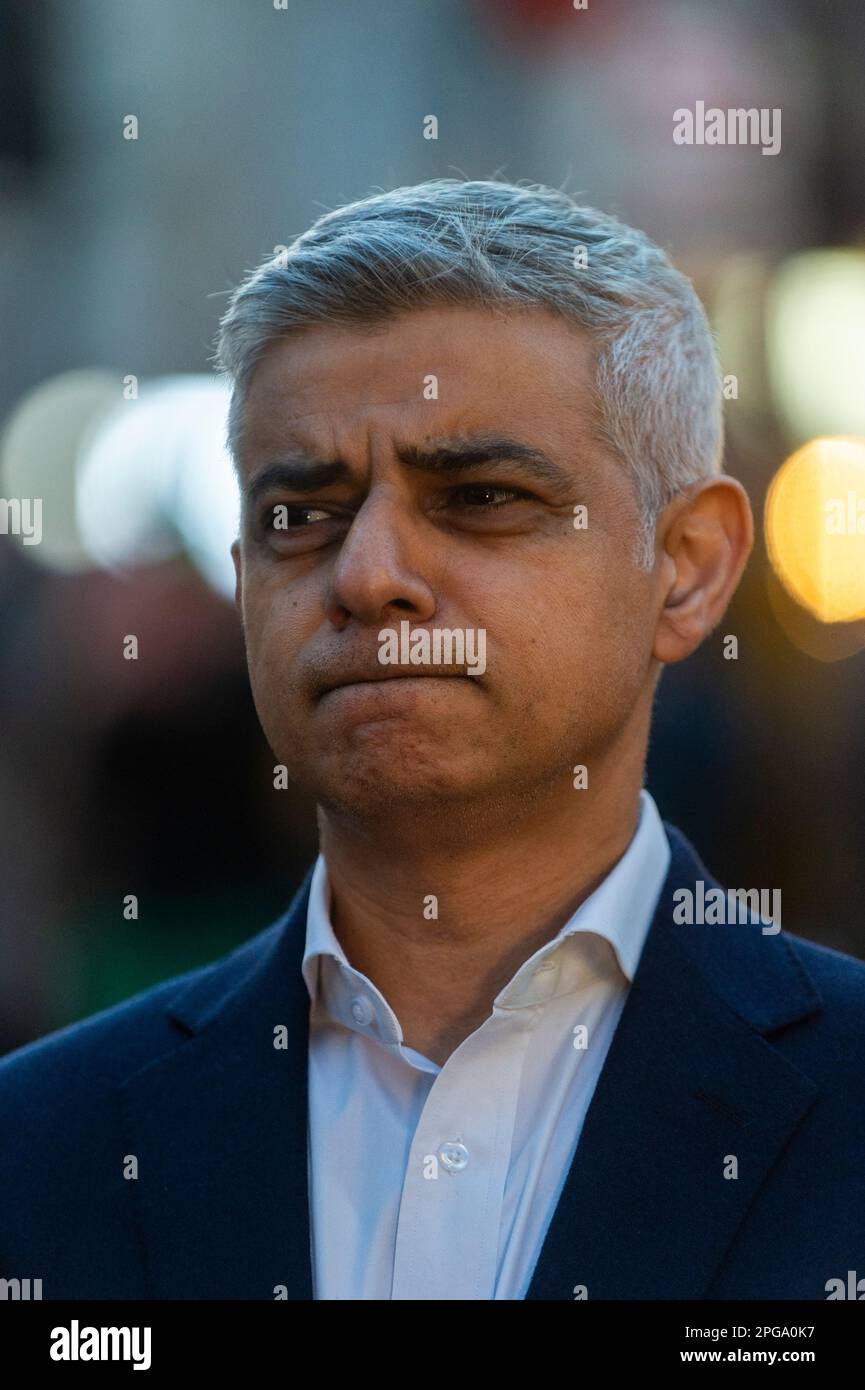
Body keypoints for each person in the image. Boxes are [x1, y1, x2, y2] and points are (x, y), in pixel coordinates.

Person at [1, 179, 863, 1301]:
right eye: (299, 515)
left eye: (480, 496)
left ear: (687, 564)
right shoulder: (41, 1148)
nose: (364, 575)